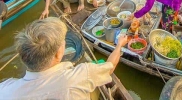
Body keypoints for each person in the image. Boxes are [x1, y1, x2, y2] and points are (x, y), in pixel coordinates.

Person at [0, 17, 128, 99]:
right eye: (63, 42)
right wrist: (119, 45)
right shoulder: (82, 75)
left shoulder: (5, 90)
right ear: (58, 54)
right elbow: (110, 67)